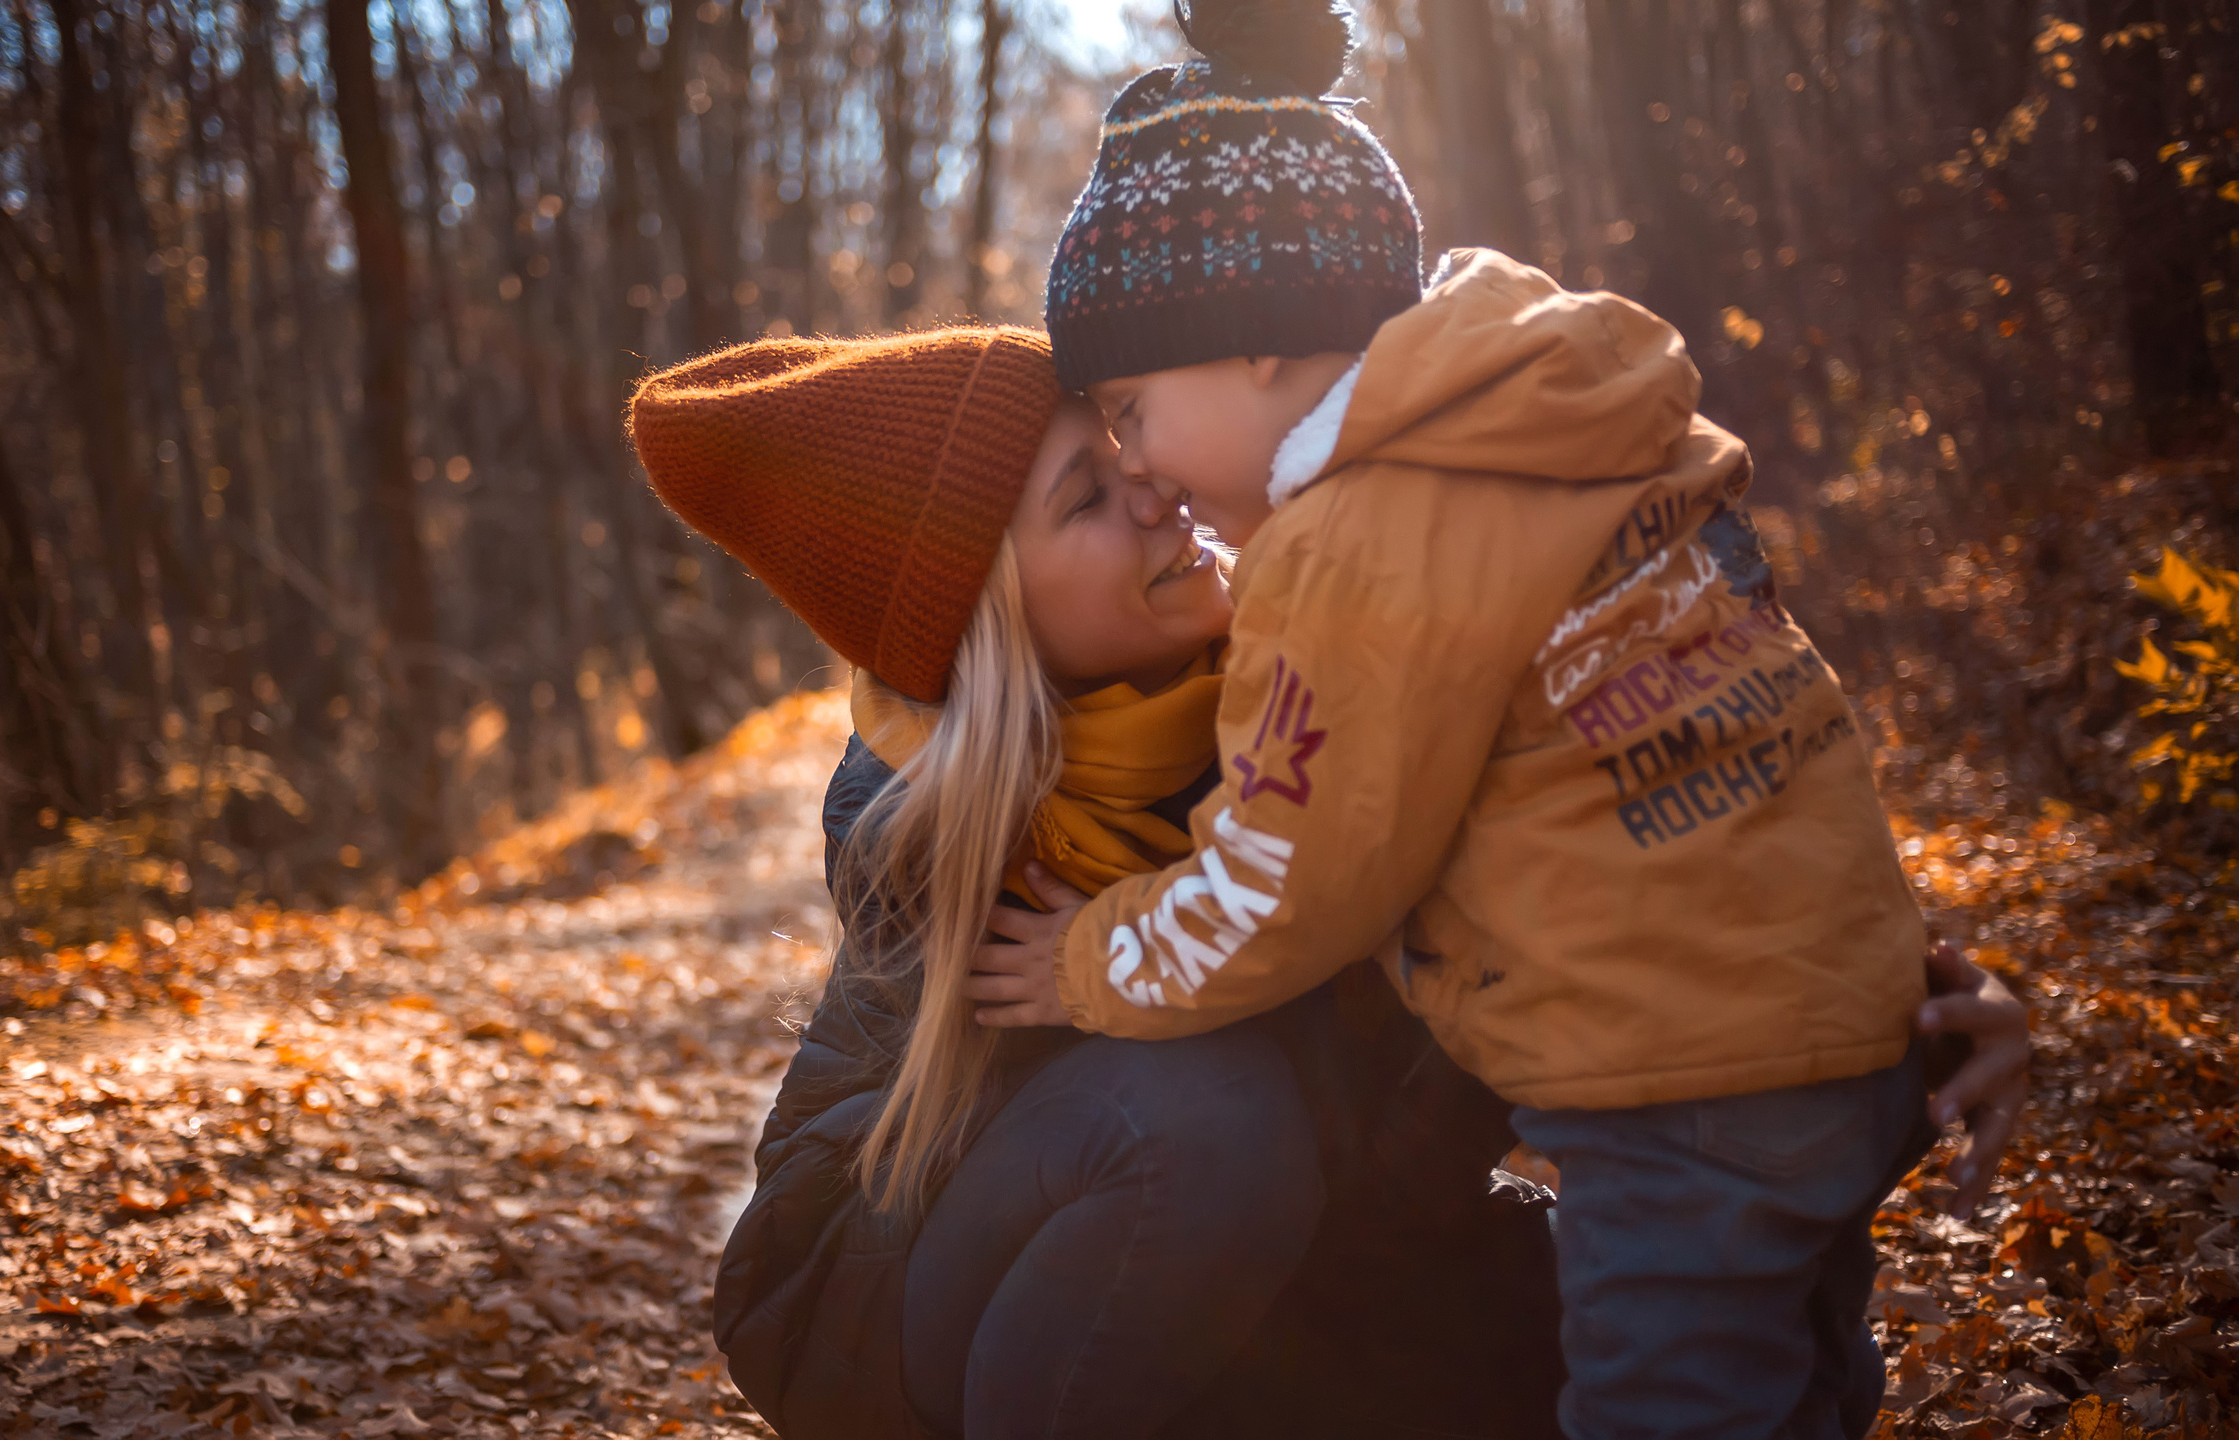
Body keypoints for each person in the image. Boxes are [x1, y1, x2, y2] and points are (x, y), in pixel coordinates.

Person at [627, 329, 2031, 1440]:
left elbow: (1602, 888)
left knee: (1774, 1363)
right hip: (923, 1300)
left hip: (1290, 1260)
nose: (1153, 485)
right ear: (990, 625)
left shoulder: (1341, 672)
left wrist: (1866, 984)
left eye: (1123, 435)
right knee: (1202, 1116)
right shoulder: (951, 814)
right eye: (1084, 496)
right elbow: (1228, 1113)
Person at [962, 2, 2025, 1438]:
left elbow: (1286, 883)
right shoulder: (1557, 433)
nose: (1137, 459)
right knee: (1807, 1378)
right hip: (1845, 1030)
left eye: (1134, 405)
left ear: (1258, 347)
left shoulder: (1351, 551)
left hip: (1674, 1099)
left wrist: (1080, 965)